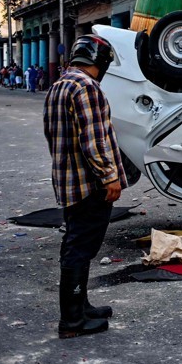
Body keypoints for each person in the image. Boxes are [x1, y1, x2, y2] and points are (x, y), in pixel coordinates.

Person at [43, 35, 127, 339]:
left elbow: (53, 135)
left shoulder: (60, 85)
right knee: (80, 248)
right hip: (89, 185)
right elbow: (93, 141)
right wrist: (110, 177)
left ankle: (81, 306)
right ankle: (73, 322)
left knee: (76, 243)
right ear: (100, 61)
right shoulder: (87, 88)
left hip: (68, 181)